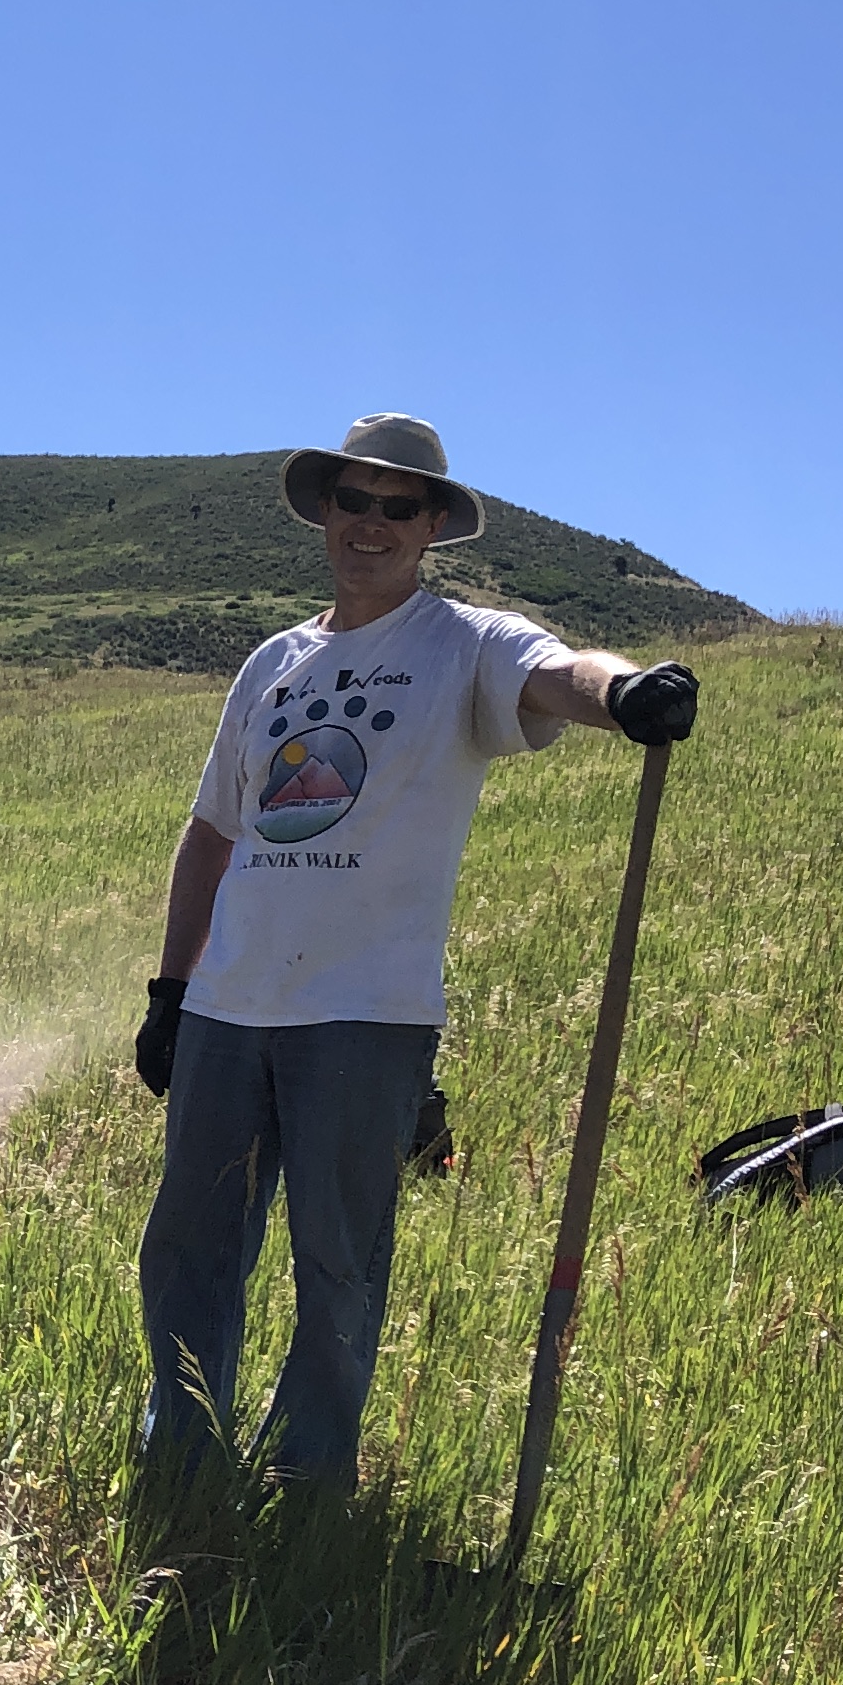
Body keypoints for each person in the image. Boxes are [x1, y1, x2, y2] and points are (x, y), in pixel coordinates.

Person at [132, 415, 696, 1493]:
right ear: (325, 512)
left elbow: (562, 672)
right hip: (226, 1006)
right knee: (187, 1255)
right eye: (355, 501)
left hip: (363, 1015)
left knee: (338, 1266)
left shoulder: (465, 645)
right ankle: (185, 1461)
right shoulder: (272, 662)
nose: (372, 524)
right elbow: (212, 832)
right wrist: (170, 988)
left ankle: (304, 1488)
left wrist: (624, 695)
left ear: (433, 525)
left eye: (399, 508)